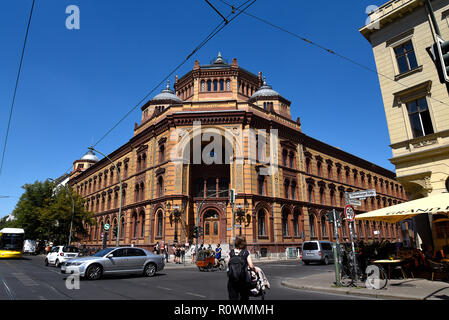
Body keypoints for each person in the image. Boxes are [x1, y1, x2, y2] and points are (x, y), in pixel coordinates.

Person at [225, 236, 256, 301]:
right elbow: (251, 266)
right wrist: (255, 270)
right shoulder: (246, 252)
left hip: (232, 281)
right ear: (244, 243)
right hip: (243, 281)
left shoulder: (231, 252)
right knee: (244, 298)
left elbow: (227, 265)